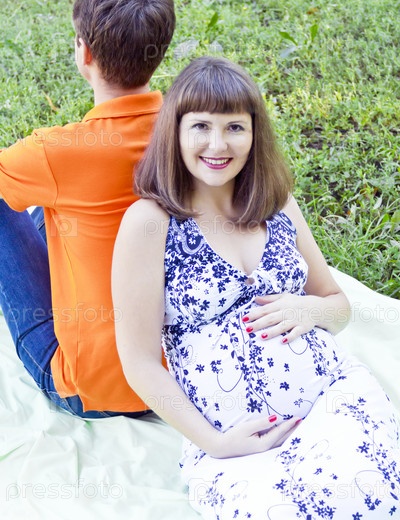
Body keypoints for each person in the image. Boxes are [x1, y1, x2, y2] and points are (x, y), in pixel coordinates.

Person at [112, 56, 400, 518]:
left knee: (366, 498)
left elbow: (337, 304)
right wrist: (216, 444)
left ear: (254, 133)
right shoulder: (150, 222)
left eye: (234, 127)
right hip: (233, 441)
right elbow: (139, 362)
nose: (217, 144)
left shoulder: (276, 203)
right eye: (201, 126)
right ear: (175, 132)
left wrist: (310, 311)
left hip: (330, 400)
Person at [0, 0, 175, 418]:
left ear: (85, 53)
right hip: (174, 379)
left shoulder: (56, 152)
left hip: (88, 391)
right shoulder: (192, 133)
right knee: (55, 206)